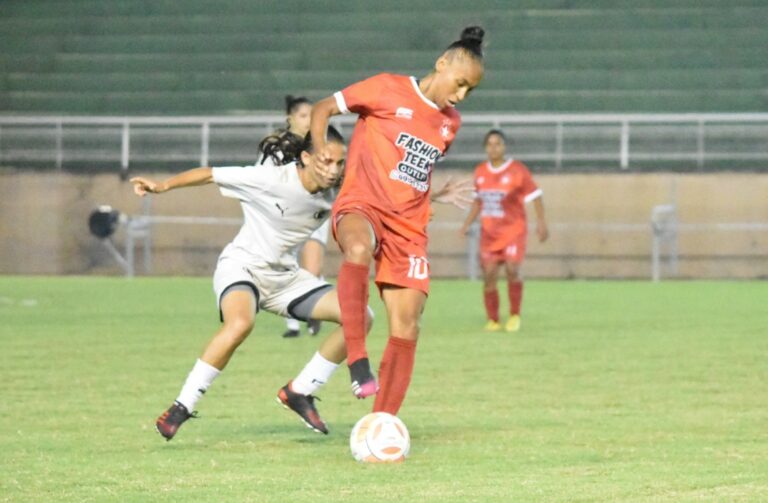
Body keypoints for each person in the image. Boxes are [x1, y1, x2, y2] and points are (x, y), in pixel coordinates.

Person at [131, 127, 368, 439]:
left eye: (340, 163)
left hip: (285, 279)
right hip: (242, 267)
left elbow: (381, 198)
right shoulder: (271, 179)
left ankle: (300, 391)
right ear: (306, 157)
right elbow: (209, 174)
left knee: (360, 317)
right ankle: (182, 406)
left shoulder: (339, 191)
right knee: (240, 324)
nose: (334, 170)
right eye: (327, 161)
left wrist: (426, 201)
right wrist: (162, 186)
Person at [308, 26, 485, 414]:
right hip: (362, 205)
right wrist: (321, 149)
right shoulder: (386, 88)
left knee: (407, 326)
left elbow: (409, 172)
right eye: (459, 84)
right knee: (357, 248)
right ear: (442, 64)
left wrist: (433, 195)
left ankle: (382, 424)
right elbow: (322, 108)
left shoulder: (449, 123)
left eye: (470, 91)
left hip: (408, 227)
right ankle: (357, 360)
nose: (460, 96)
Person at [459, 129, 549, 332]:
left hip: (513, 232)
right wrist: (467, 224)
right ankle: (493, 319)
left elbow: (536, 195)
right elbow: (478, 201)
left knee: (512, 270)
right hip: (489, 234)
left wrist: (541, 222)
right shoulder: (481, 171)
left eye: (497, 143)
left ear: (504, 146)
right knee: (489, 275)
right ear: (485, 148)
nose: (493, 148)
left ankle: (514, 315)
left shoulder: (517, 170)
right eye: (489, 144)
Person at [269, 95, 329, 339]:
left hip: (314, 213)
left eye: (312, 116)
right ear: (290, 118)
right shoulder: (275, 150)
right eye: (303, 116)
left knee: (311, 269)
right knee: (285, 269)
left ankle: (314, 310)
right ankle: (293, 326)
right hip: (284, 218)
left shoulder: (321, 146)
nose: (308, 121)